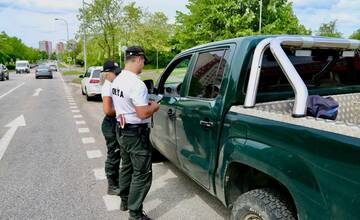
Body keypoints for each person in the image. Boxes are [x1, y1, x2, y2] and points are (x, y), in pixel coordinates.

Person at [111, 46, 159, 220]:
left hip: (122, 129)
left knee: (127, 167)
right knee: (142, 174)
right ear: (138, 59)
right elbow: (142, 113)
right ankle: (135, 213)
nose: (143, 65)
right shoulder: (137, 84)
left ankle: (124, 200)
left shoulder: (118, 80)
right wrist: (154, 107)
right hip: (136, 133)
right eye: (143, 61)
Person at [100, 60, 122, 195]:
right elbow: (108, 110)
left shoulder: (113, 84)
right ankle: (112, 185)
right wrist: (124, 110)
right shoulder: (107, 87)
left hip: (114, 122)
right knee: (113, 154)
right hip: (110, 124)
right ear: (107, 74)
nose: (116, 75)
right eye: (114, 73)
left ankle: (117, 180)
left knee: (117, 153)